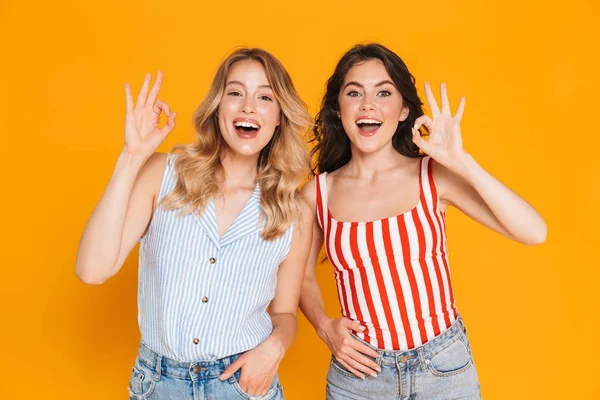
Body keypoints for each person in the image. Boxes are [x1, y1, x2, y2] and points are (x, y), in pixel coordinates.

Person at [300, 43, 546, 399]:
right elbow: (301, 276)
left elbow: (534, 232)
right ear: (339, 110)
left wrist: (462, 162)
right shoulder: (316, 194)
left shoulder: (433, 176)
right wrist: (325, 327)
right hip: (361, 375)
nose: (368, 104)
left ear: (402, 111)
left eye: (384, 92)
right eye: (354, 93)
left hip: (443, 368)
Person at [76, 48, 312, 399]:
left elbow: (284, 312)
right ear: (218, 107)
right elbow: (92, 270)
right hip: (158, 385)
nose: (248, 106)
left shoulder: (293, 209)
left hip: (243, 385)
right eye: (235, 93)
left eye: (265, 97)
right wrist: (131, 157)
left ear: (279, 117)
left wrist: (275, 347)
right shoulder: (161, 173)